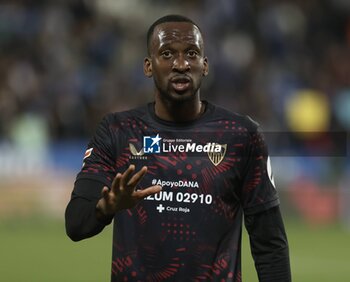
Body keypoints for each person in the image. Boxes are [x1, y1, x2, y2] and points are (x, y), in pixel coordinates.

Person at [65, 14, 291, 282]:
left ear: (204, 66)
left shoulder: (242, 136)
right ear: (149, 66)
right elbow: (76, 224)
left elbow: (270, 244)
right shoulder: (117, 131)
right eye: (167, 54)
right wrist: (106, 207)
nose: (181, 64)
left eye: (192, 54)